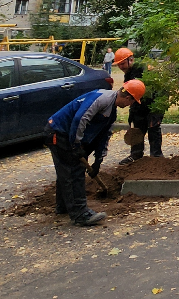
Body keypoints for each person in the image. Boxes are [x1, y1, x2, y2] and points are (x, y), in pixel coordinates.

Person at [45, 80, 146, 226]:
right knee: (73, 171)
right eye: (132, 102)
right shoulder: (102, 98)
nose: (130, 105)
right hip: (58, 132)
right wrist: (75, 144)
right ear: (128, 97)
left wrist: (98, 160)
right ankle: (80, 214)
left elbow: (103, 136)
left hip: (67, 135)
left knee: (67, 172)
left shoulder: (111, 112)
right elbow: (80, 119)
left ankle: (64, 207)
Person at [114, 47, 165, 163]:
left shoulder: (143, 69)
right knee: (137, 129)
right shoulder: (128, 73)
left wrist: (156, 107)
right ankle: (136, 155)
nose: (121, 67)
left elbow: (156, 89)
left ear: (130, 60)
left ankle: (156, 157)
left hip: (153, 103)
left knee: (153, 128)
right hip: (138, 104)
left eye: (122, 64)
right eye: (119, 65)